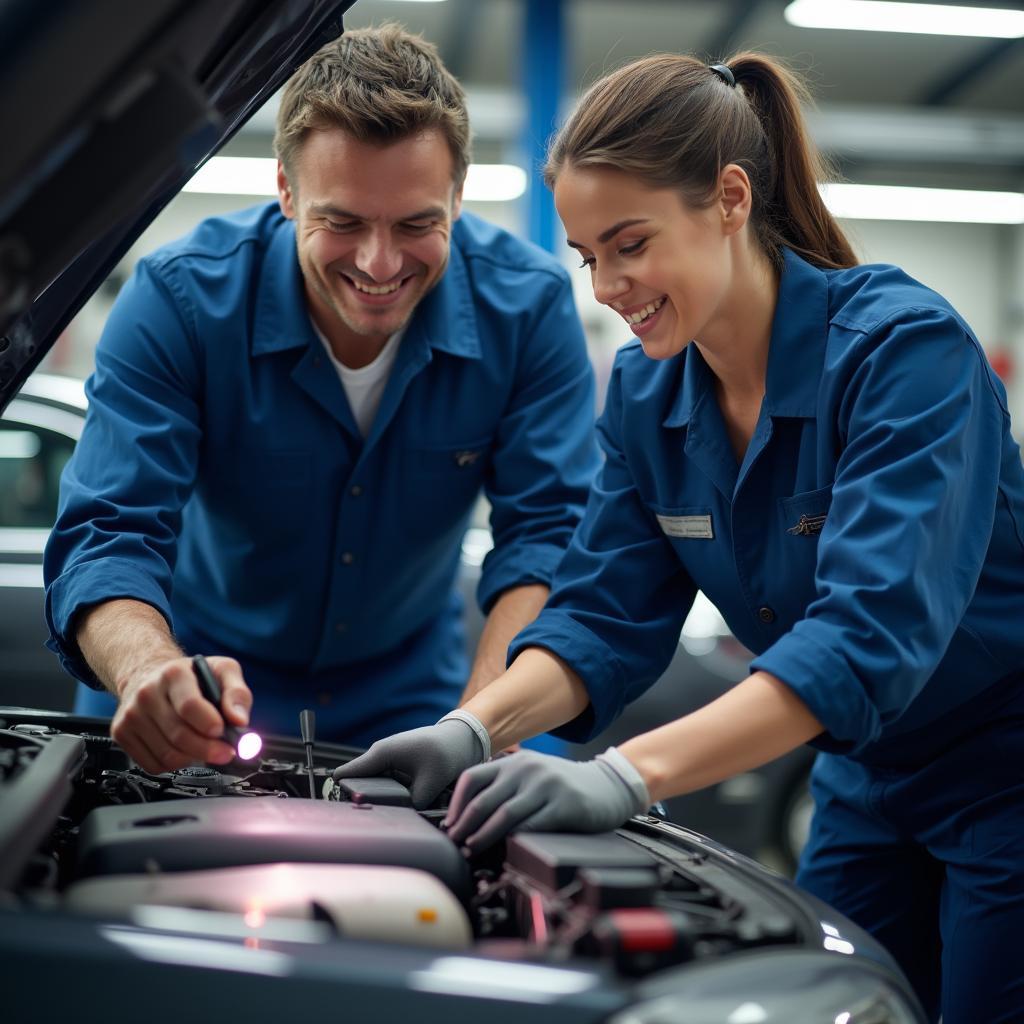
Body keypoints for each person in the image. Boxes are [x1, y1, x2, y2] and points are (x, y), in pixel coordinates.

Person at [335, 53, 1024, 1023]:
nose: (608, 285)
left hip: (1004, 769)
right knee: (831, 1002)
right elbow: (603, 614)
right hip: (865, 780)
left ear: (730, 198)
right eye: (587, 257)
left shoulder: (902, 356)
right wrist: (474, 727)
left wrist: (625, 776)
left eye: (630, 244)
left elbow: (866, 637)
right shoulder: (648, 394)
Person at [43, 25, 598, 775]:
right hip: (193, 693)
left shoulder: (527, 311)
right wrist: (148, 671)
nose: (379, 263)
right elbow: (109, 531)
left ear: (459, 197)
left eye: (416, 224)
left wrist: (482, 723)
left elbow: (549, 536)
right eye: (341, 222)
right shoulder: (178, 302)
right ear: (284, 191)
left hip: (412, 703)